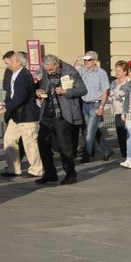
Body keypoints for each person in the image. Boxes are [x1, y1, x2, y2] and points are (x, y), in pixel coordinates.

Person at [35, 54, 85, 184]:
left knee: (64, 145)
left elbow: (82, 90)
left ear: (57, 63)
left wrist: (66, 92)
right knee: (42, 142)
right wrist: (40, 92)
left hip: (63, 113)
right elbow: (45, 86)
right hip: (47, 111)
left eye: (51, 70)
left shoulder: (70, 71)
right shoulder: (46, 71)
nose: (49, 72)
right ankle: (50, 173)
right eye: (47, 70)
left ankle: (70, 174)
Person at [0, 51, 42, 179]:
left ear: (19, 62)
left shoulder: (24, 75)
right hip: (15, 116)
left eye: (11, 61)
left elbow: (20, 97)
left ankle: (36, 169)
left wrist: (6, 108)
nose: (8, 64)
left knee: (30, 143)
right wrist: (4, 104)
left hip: (26, 115)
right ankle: (14, 168)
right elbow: (11, 94)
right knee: (9, 140)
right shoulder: (13, 73)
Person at [76, 51, 114, 161]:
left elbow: (105, 91)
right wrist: (76, 59)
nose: (86, 62)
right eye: (85, 59)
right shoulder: (83, 71)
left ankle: (86, 154)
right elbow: (71, 72)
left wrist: (102, 107)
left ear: (95, 61)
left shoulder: (101, 73)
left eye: (89, 59)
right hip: (84, 104)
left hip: (96, 105)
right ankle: (108, 150)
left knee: (89, 132)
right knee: (93, 130)